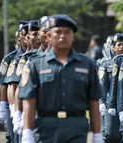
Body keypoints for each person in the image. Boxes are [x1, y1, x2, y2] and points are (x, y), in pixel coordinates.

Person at [19, 14, 102, 143]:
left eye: (67, 32)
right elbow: (29, 100)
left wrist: (97, 135)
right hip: (45, 128)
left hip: (76, 127)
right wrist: (27, 132)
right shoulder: (36, 64)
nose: (63, 36)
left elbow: (94, 101)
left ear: (73, 36)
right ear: (49, 37)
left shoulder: (87, 65)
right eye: (58, 32)